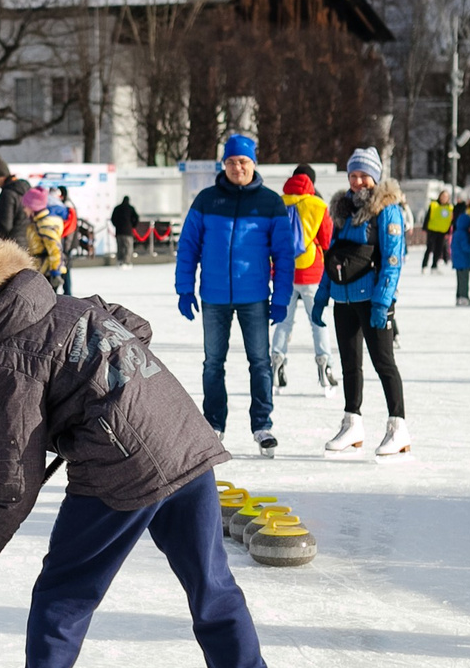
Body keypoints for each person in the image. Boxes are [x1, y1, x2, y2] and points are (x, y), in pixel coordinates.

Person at [0, 243, 298, 668]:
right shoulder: (68, 304)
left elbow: (16, 480)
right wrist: (95, 392)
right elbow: (136, 327)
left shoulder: (6, 358)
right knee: (212, 583)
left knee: (64, 593)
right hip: (181, 433)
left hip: (121, 465)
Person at [175, 133, 295, 456]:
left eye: (242, 161)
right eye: (230, 161)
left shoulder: (270, 202)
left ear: (253, 163)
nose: (236, 167)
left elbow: (284, 255)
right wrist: (184, 288)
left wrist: (281, 297)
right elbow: (188, 247)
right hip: (213, 297)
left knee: (260, 362)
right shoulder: (206, 200)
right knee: (213, 363)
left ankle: (262, 425)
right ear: (223, 164)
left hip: (254, 296)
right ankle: (214, 423)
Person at [314, 147, 410, 458]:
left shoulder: (386, 210)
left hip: (372, 300)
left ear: (375, 177)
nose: (357, 182)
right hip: (343, 299)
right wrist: (322, 294)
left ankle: (398, 427)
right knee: (350, 365)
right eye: (353, 175)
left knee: (384, 363)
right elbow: (332, 256)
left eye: (364, 175)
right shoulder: (343, 210)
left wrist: (383, 302)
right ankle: (352, 423)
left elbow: (393, 261)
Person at [271, 167, 335, 392]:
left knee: (283, 322)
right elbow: (327, 241)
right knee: (318, 320)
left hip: (285, 272)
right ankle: (325, 366)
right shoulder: (318, 205)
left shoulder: (277, 204)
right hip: (311, 273)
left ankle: (276, 363)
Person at [22, 182, 65, 290]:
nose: (24, 209)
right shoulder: (36, 223)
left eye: (26, 206)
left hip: (48, 272)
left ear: (33, 207)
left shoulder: (45, 224)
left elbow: (55, 249)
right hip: (40, 270)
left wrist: (55, 272)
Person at [450, 191, 470, 303]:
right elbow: (465, 247)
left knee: (460, 280)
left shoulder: (457, 232)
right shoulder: (463, 234)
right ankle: (464, 297)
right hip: (463, 261)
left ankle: (459, 297)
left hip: (458, 261)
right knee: (464, 280)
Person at [421, 187, 453, 272]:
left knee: (438, 249)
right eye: (443, 196)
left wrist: (448, 231)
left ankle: (434, 266)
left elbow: (450, 220)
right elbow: (428, 216)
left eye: (446, 197)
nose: (444, 198)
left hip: (442, 231)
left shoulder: (450, 208)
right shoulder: (434, 205)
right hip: (432, 229)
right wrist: (424, 227)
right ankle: (424, 265)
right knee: (429, 248)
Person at [111, 192, 140, 265]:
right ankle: (126, 261)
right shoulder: (131, 208)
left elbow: (113, 219)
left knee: (120, 247)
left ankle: (120, 261)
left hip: (119, 231)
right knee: (128, 247)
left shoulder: (117, 208)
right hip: (128, 231)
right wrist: (133, 225)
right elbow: (136, 218)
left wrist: (116, 225)